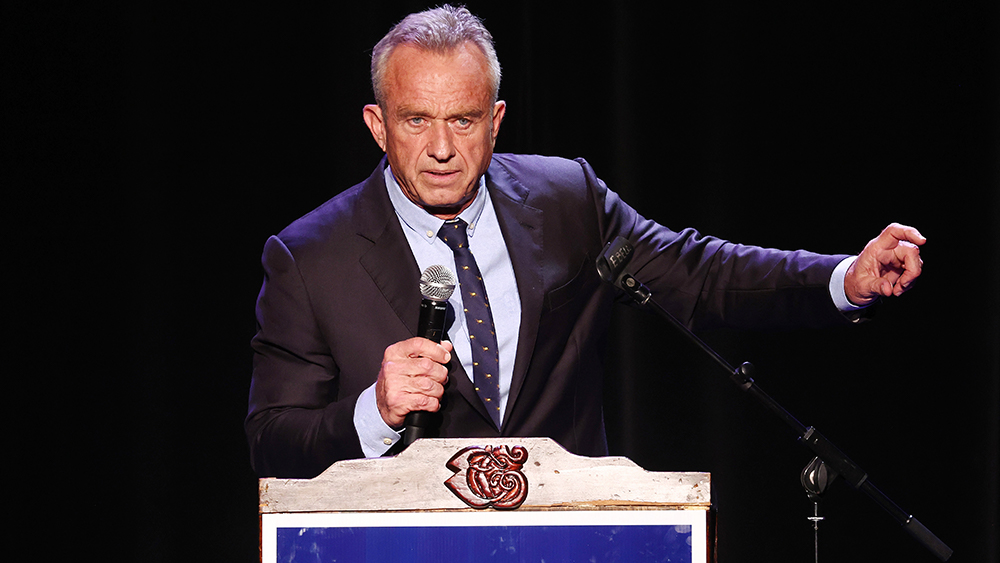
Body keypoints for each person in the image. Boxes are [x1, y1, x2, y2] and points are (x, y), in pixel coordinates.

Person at [245, 5, 925, 479]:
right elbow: (272, 442)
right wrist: (374, 410)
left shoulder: (566, 199)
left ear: (496, 120)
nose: (443, 148)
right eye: (416, 120)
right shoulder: (310, 257)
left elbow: (700, 274)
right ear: (378, 125)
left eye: (464, 119)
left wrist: (845, 278)